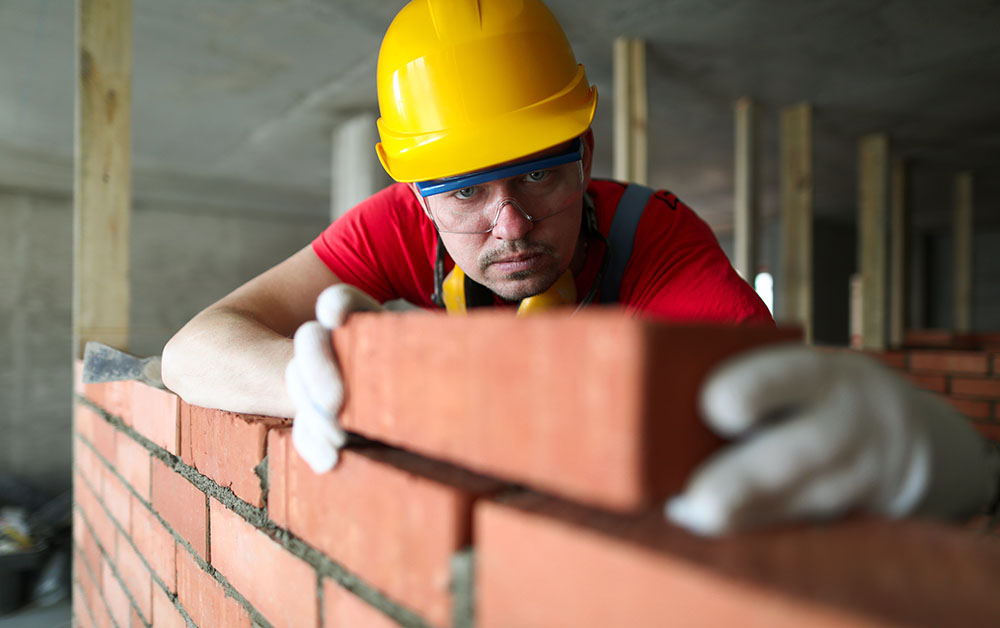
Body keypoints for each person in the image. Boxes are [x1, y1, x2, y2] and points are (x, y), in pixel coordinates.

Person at [162, 0, 999, 536]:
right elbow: (194, 349)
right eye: (464, 193)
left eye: (539, 172)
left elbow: (769, 419)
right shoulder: (396, 228)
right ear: (413, 194)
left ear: (585, 152)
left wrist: (952, 482)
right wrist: (313, 380)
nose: (512, 223)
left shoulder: (655, 237)